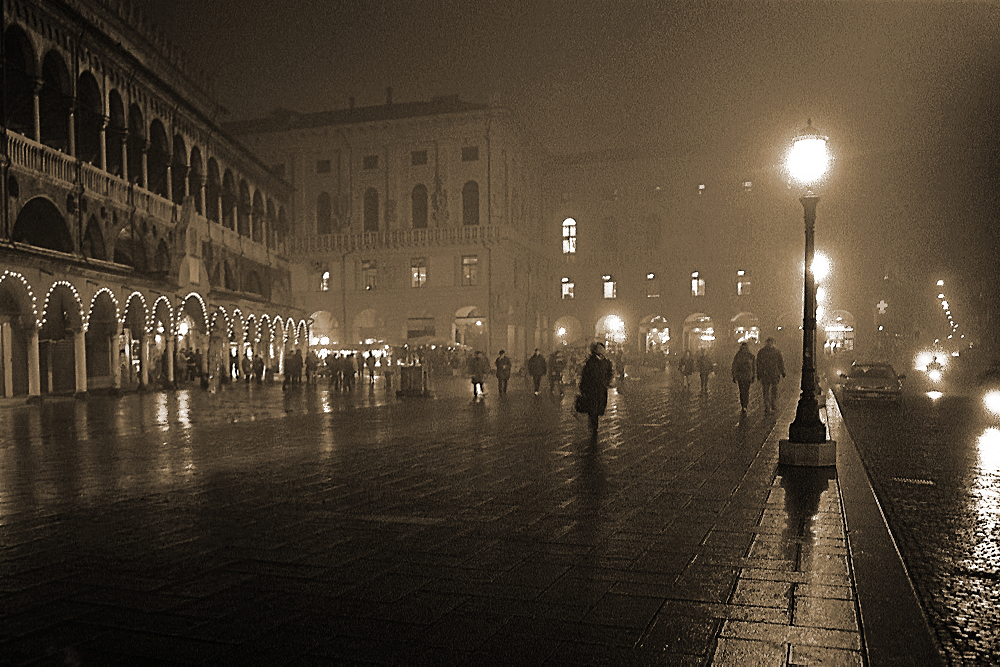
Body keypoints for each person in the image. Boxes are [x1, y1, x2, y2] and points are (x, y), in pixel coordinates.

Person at [578, 342, 614, 439]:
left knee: (600, 406)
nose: (601, 350)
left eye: (602, 348)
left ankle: (594, 421)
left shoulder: (606, 362)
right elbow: (585, 376)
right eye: (599, 348)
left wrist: (607, 381)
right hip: (592, 388)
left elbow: (610, 372)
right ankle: (594, 425)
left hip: (601, 389)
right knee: (593, 407)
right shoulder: (590, 362)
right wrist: (583, 388)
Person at [756, 337, 786, 412]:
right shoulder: (776, 352)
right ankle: (772, 404)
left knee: (766, 390)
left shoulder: (762, 352)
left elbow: (758, 364)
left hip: (766, 374)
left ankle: (768, 405)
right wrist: (782, 372)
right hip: (773, 374)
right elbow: (780, 363)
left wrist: (759, 374)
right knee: (773, 390)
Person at [731, 342, 757, 415]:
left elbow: (734, 366)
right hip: (746, 377)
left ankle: (744, 405)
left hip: (742, 377)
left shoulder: (739, 355)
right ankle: (745, 405)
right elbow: (753, 367)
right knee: (745, 391)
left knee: (742, 391)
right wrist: (753, 376)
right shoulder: (750, 356)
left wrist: (734, 375)